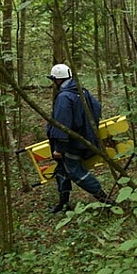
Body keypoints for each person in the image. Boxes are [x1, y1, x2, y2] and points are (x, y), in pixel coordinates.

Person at [46, 63, 113, 213]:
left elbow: (62, 124)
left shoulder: (64, 97)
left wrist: (59, 149)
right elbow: (96, 109)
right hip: (85, 139)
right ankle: (63, 203)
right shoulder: (82, 91)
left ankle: (106, 200)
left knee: (75, 171)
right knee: (62, 170)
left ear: (57, 80)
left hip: (73, 144)